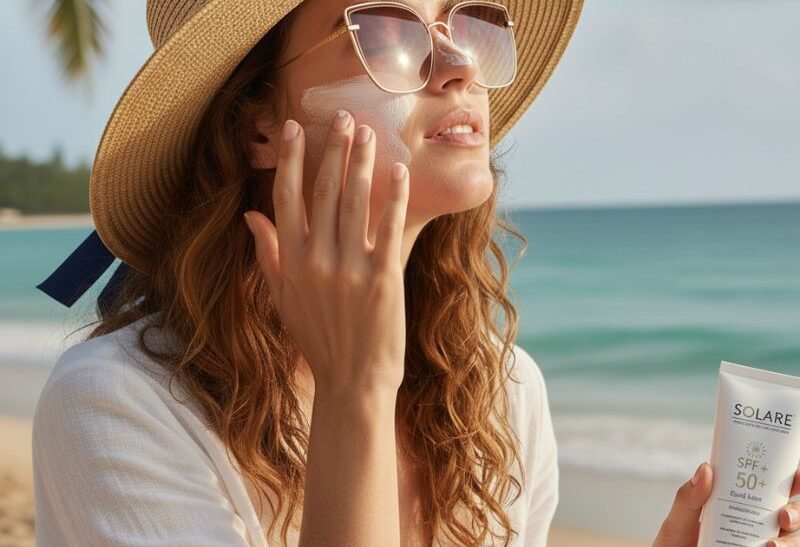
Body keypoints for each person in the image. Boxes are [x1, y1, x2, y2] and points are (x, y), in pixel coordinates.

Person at [29, 0, 800, 546]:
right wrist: (355, 393)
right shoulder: (117, 406)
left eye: (468, 18)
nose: (459, 63)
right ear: (258, 123)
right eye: (386, 28)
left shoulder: (501, 395)